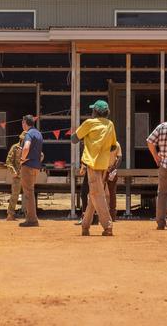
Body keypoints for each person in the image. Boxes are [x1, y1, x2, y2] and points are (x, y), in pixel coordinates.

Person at [71, 100, 117, 236]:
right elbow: (113, 146)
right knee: (94, 195)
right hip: (104, 165)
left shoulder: (89, 123)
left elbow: (74, 139)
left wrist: (82, 133)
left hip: (92, 165)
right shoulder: (110, 125)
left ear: (94, 112)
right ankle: (85, 226)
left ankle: (108, 226)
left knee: (98, 195)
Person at [19, 114, 43, 228]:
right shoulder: (38, 133)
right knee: (30, 192)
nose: (22, 125)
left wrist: (22, 159)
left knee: (28, 193)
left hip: (27, 166)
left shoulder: (28, 134)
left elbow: (26, 147)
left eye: (23, 122)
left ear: (25, 123)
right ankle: (31, 218)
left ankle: (32, 219)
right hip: (36, 166)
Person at [5, 132, 28, 221]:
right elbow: (8, 161)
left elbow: (40, 155)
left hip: (27, 175)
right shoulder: (15, 148)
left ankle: (29, 214)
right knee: (15, 195)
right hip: (17, 175)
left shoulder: (31, 147)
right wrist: (13, 171)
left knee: (28, 195)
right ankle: (10, 214)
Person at [105, 141, 122, 221]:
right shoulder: (116, 143)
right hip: (111, 170)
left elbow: (119, 157)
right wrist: (114, 168)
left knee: (100, 193)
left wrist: (114, 168)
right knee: (112, 193)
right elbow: (119, 158)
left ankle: (103, 215)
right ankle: (112, 216)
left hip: (103, 170)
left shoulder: (102, 141)